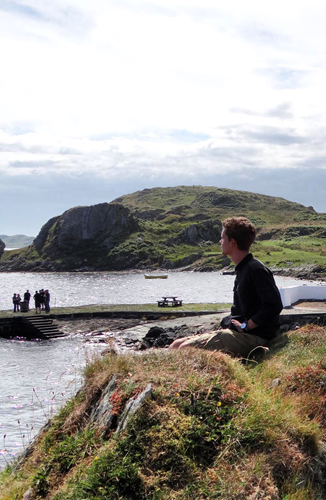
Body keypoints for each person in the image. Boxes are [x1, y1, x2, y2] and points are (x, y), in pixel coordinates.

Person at [169, 217, 283, 358]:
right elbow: (241, 312)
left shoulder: (255, 269)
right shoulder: (243, 269)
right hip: (241, 334)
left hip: (256, 338)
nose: (220, 241)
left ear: (233, 242)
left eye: (222, 238)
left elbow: (274, 305)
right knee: (175, 345)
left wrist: (246, 326)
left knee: (185, 348)